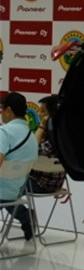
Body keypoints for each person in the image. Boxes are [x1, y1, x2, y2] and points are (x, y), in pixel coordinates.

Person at [0, 92, 39, 241]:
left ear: (9, 110)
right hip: (16, 190)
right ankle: (25, 216)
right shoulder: (32, 136)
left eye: (2, 109)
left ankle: (25, 216)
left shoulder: (4, 132)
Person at [28, 95, 67, 194]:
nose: (39, 114)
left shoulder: (54, 138)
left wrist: (41, 127)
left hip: (42, 184)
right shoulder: (64, 134)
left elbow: (32, 150)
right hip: (54, 183)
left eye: (42, 111)